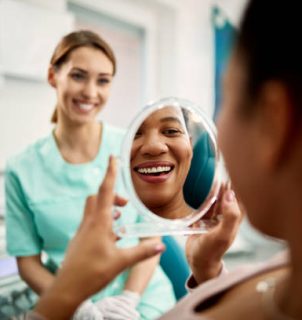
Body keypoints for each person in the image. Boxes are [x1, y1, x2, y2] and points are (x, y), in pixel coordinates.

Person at [25, 0, 302, 319]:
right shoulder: (277, 278)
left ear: (276, 124)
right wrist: (208, 270)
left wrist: (60, 300)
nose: (153, 146)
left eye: (226, 94)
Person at [5, 30, 175, 319]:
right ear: (52, 76)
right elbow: (28, 264)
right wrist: (77, 306)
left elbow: (151, 240)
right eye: (78, 76)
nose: (90, 92)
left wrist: (128, 301)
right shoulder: (21, 170)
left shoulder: (132, 148)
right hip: (69, 302)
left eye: (103, 81)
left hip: (142, 298)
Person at [131, 106, 194, 219]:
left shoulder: (220, 228)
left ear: (190, 146)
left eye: (171, 131)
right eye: (134, 133)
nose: (153, 147)